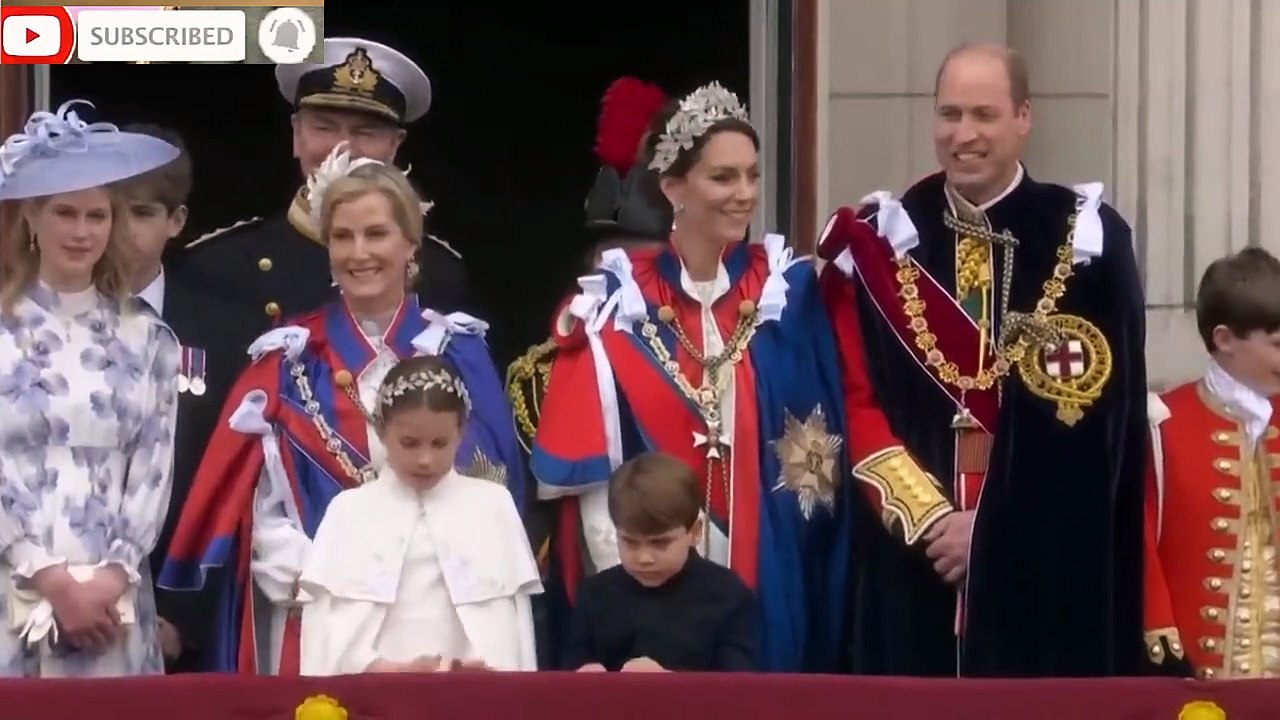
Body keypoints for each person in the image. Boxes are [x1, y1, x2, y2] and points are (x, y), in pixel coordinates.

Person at [817, 43, 1147, 677]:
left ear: (1024, 117)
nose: (963, 135)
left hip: (1043, 565)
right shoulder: (885, 235)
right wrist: (932, 519)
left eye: (984, 115)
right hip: (914, 557)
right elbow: (855, 398)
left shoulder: (1086, 239)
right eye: (949, 114)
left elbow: (1103, 426)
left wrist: (994, 529)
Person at [158, 151, 524, 674]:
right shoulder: (286, 364)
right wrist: (337, 579)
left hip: (446, 621)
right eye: (342, 237)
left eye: (376, 234)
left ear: (411, 244)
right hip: (325, 620)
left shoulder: (459, 355)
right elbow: (258, 518)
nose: (359, 253)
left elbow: (495, 499)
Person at [531, 82, 854, 672]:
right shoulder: (617, 299)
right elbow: (590, 479)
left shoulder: (786, 291)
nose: (745, 195)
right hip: (649, 582)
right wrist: (636, 590)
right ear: (674, 187)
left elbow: (818, 451)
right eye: (723, 178)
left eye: (752, 176)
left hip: (766, 566)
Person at [0, 101, 181, 677]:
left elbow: (154, 468)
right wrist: (48, 577)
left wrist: (110, 578)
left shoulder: (148, 336)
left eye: (97, 216)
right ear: (31, 216)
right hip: (13, 589)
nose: (81, 231)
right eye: (65, 213)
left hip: (115, 603)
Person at [506, 76, 669, 668]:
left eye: (640, 254)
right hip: (586, 603)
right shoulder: (539, 373)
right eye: (609, 253)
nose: (622, 269)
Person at [166, 37, 471, 335]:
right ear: (297, 135)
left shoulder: (439, 273)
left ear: (394, 145)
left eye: (366, 132)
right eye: (324, 127)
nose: (344, 147)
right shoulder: (219, 267)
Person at [114, 123, 259, 672]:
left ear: (176, 221)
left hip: (183, 616)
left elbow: (235, 479)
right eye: (111, 209)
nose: (123, 229)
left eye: (143, 212)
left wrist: (181, 614)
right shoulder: (40, 322)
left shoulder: (226, 329)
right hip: (61, 604)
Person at [300, 356, 541, 675]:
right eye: (410, 443)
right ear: (382, 431)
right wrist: (380, 669)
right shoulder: (349, 511)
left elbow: (513, 632)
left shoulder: (493, 505)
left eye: (440, 443)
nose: (426, 459)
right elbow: (324, 639)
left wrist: (491, 671)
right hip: (375, 699)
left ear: (461, 431)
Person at [1144, 248, 1280, 680]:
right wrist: (1159, 639)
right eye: (1277, 343)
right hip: (1196, 680)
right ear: (1223, 340)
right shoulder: (1161, 422)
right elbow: (1140, 542)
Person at [562, 452, 755, 672]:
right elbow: (571, 665)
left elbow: (739, 688)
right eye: (630, 543)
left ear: (695, 532)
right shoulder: (594, 594)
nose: (644, 558)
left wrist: (667, 684)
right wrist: (582, 675)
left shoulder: (728, 594)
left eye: (660, 543)